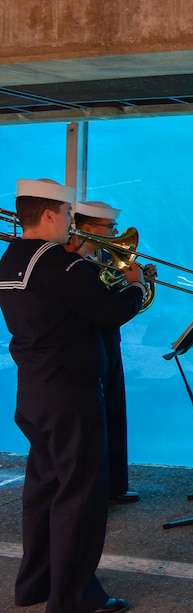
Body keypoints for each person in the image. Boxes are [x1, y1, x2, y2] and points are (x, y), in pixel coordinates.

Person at [0, 179, 146, 613]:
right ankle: (75, 596)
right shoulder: (61, 266)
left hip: (34, 394)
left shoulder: (9, 261)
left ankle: (36, 584)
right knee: (80, 496)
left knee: (43, 490)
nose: (71, 224)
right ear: (49, 215)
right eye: (66, 215)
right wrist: (135, 285)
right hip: (72, 395)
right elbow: (111, 312)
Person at [64, 200, 143, 504]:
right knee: (100, 418)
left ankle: (113, 486)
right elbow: (108, 310)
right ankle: (100, 490)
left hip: (107, 342)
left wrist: (136, 280)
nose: (115, 234)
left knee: (113, 412)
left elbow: (108, 301)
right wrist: (136, 288)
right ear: (88, 229)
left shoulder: (96, 261)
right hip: (90, 346)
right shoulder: (76, 267)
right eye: (110, 229)